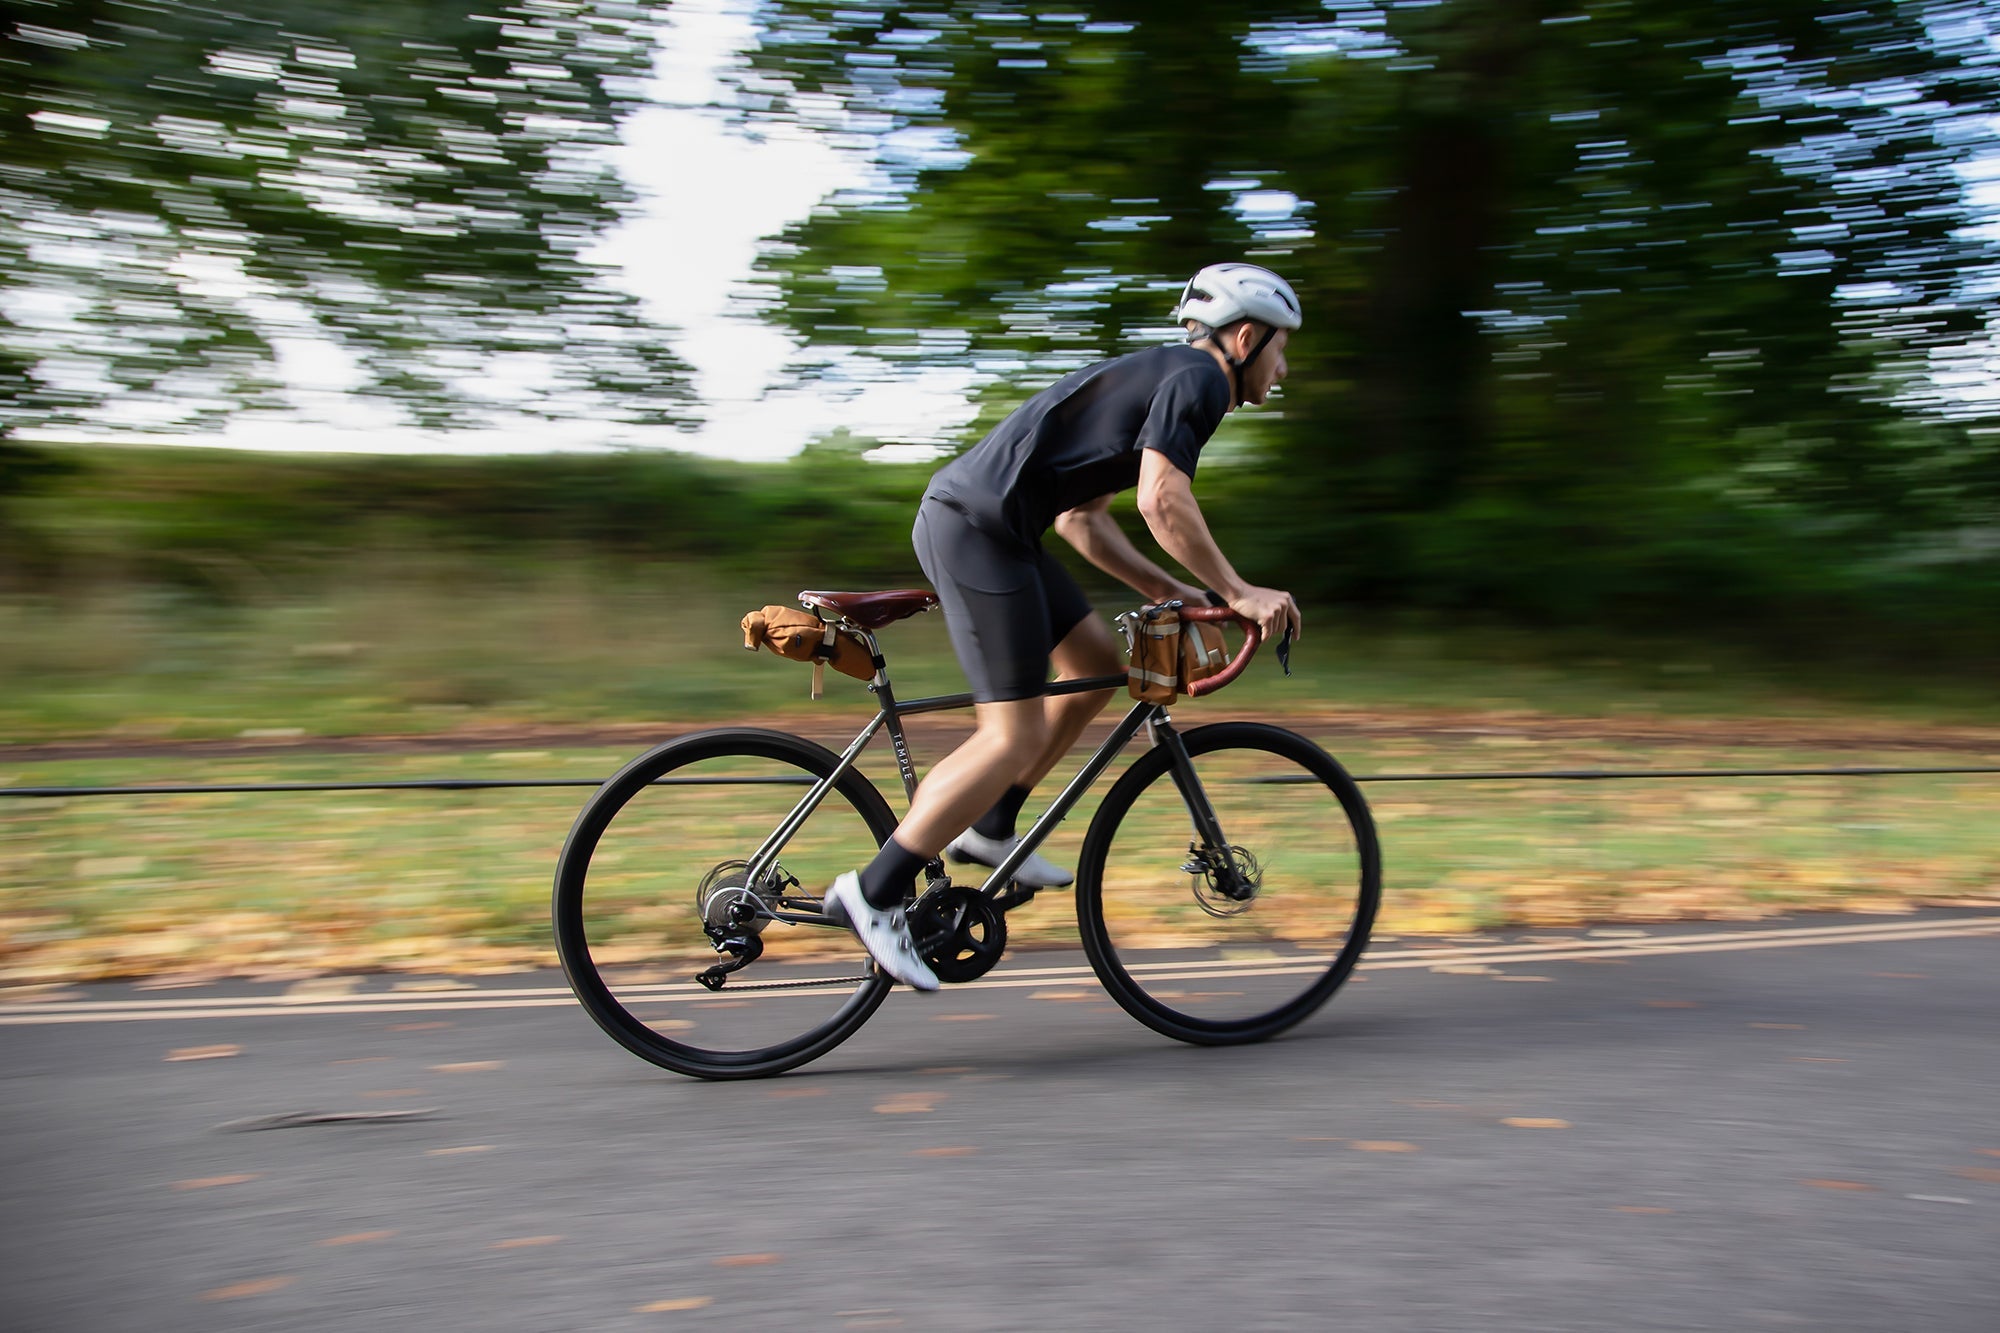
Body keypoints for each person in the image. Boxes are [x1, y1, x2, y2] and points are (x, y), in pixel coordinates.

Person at [822, 262, 1306, 989]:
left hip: (1001, 531)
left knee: (1089, 664)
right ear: (1245, 336)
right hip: (975, 528)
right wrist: (1236, 591)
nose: (1285, 366)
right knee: (1007, 732)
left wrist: (1177, 592)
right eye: (1282, 348)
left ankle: (991, 828)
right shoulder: (1200, 381)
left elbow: (1082, 521)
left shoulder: (1162, 378)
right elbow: (1162, 498)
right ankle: (876, 889)